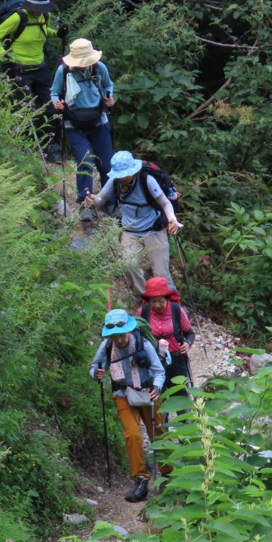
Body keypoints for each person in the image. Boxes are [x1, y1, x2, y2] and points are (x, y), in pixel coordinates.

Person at [89, 308, 172, 502]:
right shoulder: (107, 346)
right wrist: (97, 374)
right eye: (115, 336)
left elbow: (158, 370)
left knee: (157, 432)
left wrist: (157, 388)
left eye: (121, 335)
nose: (119, 340)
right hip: (123, 393)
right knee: (132, 434)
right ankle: (141, 479)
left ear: (128, 330)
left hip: (147, 392)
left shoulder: (142, 342)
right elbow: (95, 368)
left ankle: (168, 473)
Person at [85, 150, 182, 296]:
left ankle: (171, 304)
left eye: (124, 174)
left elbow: (165, 203)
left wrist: (172, 219)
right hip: (129, 230)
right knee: (129, 266)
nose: (122, 177)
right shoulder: (115, 181)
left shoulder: (147, 180)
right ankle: (146, 298)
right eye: (119, 175)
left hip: (153, 229)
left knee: (161, 273)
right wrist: (93, 199)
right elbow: (100, 200)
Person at [0, 0, 68, 162]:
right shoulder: (19, 17)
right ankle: (24, 148)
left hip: (41, 69)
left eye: (43, 9)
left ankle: (53, 148)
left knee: (52, 107)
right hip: (20, 70)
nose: (41, 12)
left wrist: (57, 33)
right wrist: (4, 55)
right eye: (38, 9)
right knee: (26, 110)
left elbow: (43, 32)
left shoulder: (44, 16)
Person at [50, 38, 115, 205]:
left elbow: (108, 85)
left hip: (99, 121)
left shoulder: (99, 67)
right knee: (85, 163)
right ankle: (85, 202)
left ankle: (110, 201)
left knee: (107, 164)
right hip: (73, 124)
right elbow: (54, 92)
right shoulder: (63, 71)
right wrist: (56, 103)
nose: (83, 65)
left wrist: (109, 97)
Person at [137, 277, 195, 412]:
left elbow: (190, 333)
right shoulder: (143, 312)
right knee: (157, 396)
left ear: (167, 298)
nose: (157, 305)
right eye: (153, 301)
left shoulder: (176, 310)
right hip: (153, 361)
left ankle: (186, 429)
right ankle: (162, 430)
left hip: (176, 359)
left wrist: (187, 344)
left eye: (161, 301)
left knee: (180, 395)